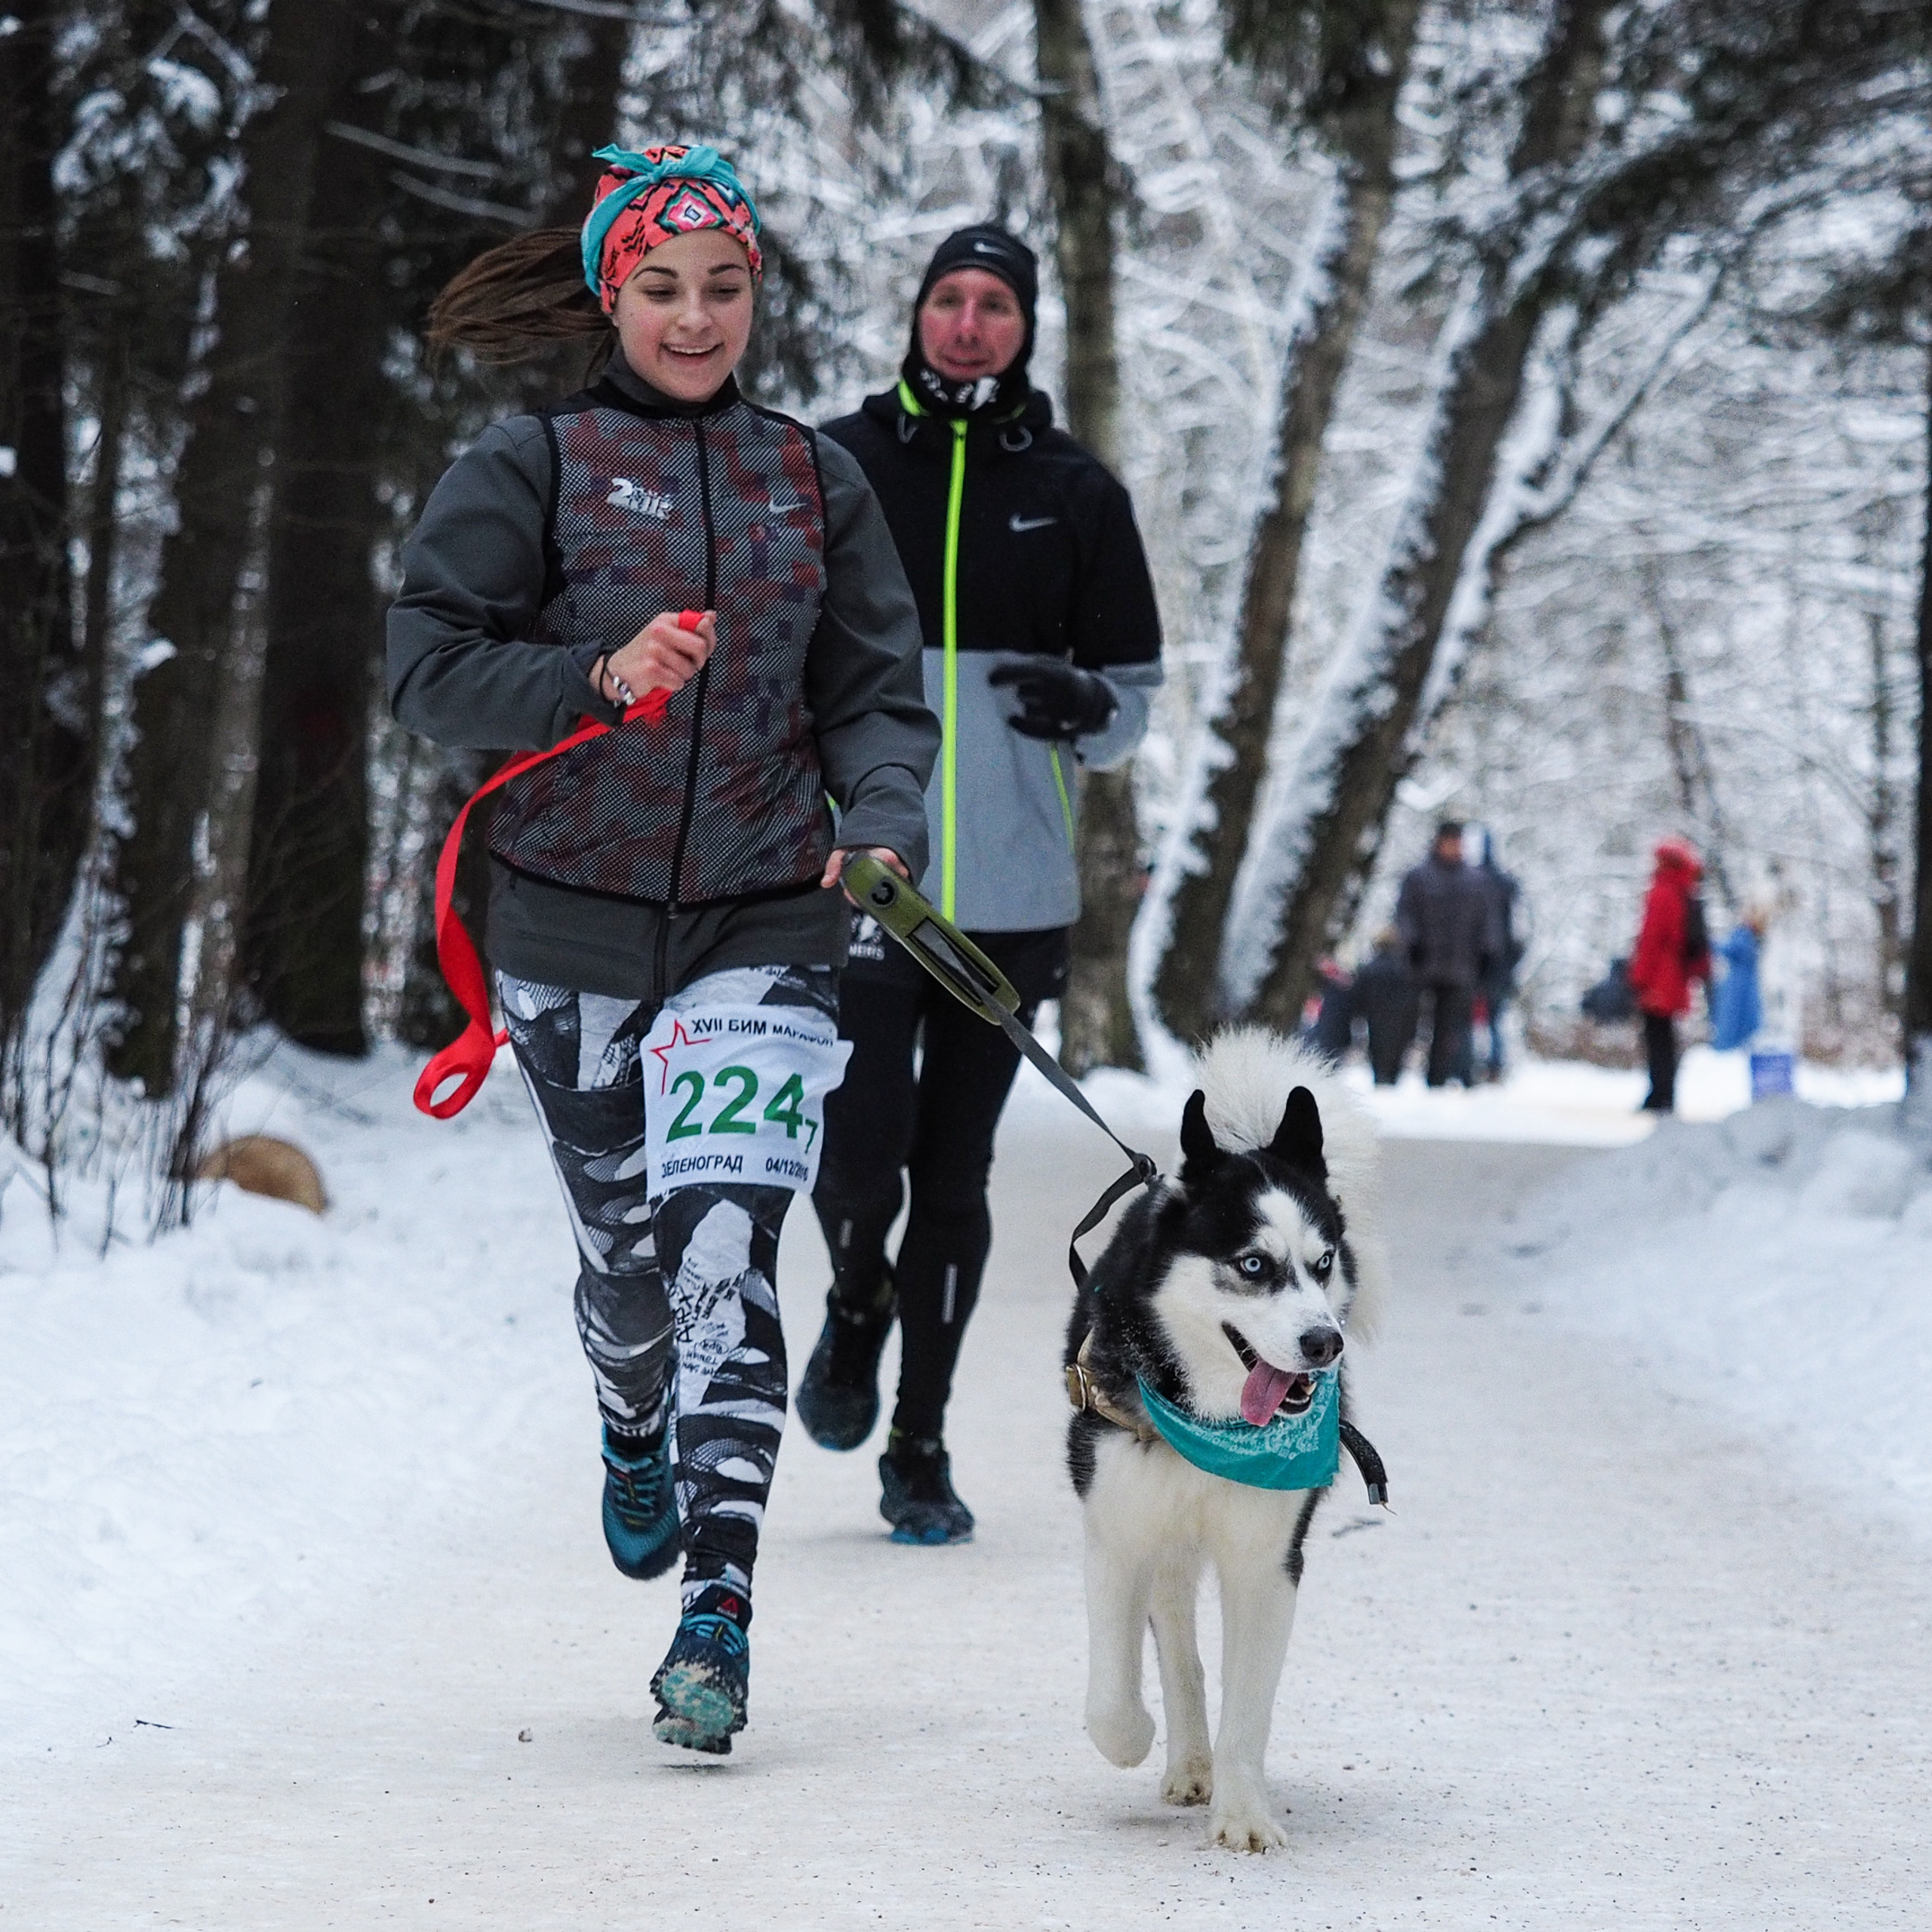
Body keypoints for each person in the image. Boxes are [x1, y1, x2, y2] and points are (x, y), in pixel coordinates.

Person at [386, 143, 939, 1754]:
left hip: (766, 914)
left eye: (722, 287)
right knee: (630, 1270)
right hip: (565, 915)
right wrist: (592, 673)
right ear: (610, 296)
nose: (695, 318)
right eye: (661, 289)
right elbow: (426, 668)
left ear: (754, 292)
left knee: (723, 1249)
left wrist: (880, 816)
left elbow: (871, 694)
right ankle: (632, 1417)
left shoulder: (811, 477)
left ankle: (720, 1604)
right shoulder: (533, 462)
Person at [797, 224, 1164, 1544]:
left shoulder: (1076, 492)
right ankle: (853, 1302)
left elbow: (1130, 707)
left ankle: (920, 1444)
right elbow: (782, 650)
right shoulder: (837, 460)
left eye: (993, 304)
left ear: (1025, 326)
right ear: (917, 315)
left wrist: (1084, 703)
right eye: (947, 300)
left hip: (1010, 893)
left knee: (955, 1178)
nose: (967, 325)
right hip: (859, 874)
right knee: (860, 1159)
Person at [1393, 821, 1497, 1088]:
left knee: (1449, 1029)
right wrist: (1412, 945)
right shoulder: (1418, 877)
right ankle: (1392, 1074)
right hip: (1421, 966)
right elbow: (1405, 914)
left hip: (1460, 969)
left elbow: (1486, 922)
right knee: (1408, 1022)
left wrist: (1487, 954)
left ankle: (1437, 1079)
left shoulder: (1476, 881)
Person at [1627, 836, 1712, 1112]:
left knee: (1657, 1037)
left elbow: (1651, 939)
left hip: (1659, 978)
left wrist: (1639, 977)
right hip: (1676, 977)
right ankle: (1665, 1093)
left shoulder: (1662, 892)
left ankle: (1660, 1094)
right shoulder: (1685, 891)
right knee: (1665, 1037)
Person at [1472, 828, 1523, 1082]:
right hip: (1500, 967)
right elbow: (1520, 930)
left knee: (1470, 1018)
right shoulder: (1508, 884)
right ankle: (1494, 1066)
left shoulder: (1470, 881)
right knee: (1494, 1020)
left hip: (1474, 965)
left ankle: (1472, 1065)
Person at [1352, 928, 1419, 1085]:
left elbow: (1359, 996)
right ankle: (1392, 1080)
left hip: (1376, 1017)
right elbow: (1414, 998)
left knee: (1377, 1049)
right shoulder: (1408, 969)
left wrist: (1359, 1014)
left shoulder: (1370, 968)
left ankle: (1380, 1079)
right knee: (1397, 1050)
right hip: (1402, 1018)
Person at [1709, 907, 1765, 1053]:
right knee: (1739, 1018)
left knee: (1732, 1017)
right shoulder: (1752, 937)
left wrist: (1707, 941)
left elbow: (1728, 949)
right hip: (1744, 983)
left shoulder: (1745, 936)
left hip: (1738, 985)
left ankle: (1728, 1048)